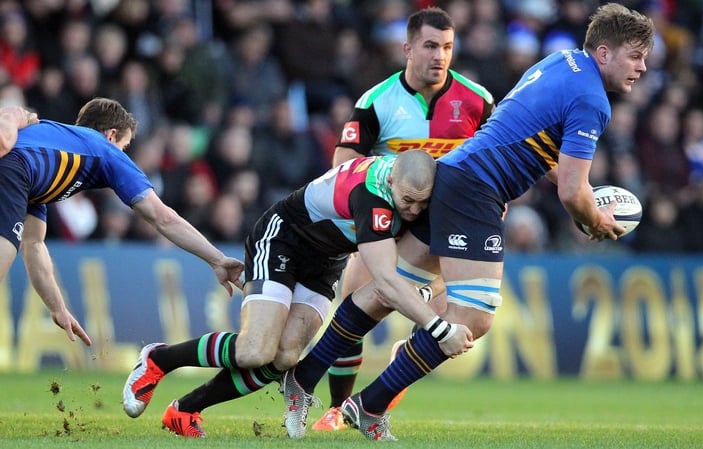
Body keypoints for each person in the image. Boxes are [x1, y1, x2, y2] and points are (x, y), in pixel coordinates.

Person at [281, 2, 655, 441]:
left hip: (456, 171)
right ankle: (369, 405)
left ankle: (303, 377)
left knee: (387, 289)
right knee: (474, 317)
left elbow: (529, 142)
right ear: (605, 53)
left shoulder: (562, 61)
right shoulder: (593, 100)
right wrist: (596, 221)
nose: (643, 67)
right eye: (636, 56)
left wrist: (580, 200)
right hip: (476, 190)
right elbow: (573, 191)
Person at [121, 149, 472, 438]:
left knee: (286, 356)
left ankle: (184, 410)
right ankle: (159, 359)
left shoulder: (407, 187)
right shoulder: (373, 195)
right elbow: (386, 281)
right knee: (254, 350)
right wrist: (440, 328)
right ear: (392, 180)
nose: (413, 210)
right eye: (408, 201)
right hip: (283, 239)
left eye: (421, 205)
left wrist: (425, 288)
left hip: (326, 260)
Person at [312, 6, 494, 432]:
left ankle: (391, 376)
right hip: (388, 226)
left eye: (447, 47)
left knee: (466, 321)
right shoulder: (377, 101)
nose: (439, 56)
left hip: (447, 231)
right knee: (354, 312)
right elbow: (344, 162)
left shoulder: (477, 100)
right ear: (408, 47)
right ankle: (339, 409)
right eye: (431, 46)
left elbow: (497, 155)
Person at [0, 98, 244, 347]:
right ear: (111, 135)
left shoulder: (46, 165)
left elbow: (34, 244)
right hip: (11, 168)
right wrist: (216, 258)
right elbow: (163, 217)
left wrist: (58, 308)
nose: (122, 155)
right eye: (124, 147)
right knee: (5, 248)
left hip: (13, 168)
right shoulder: (104, 151)